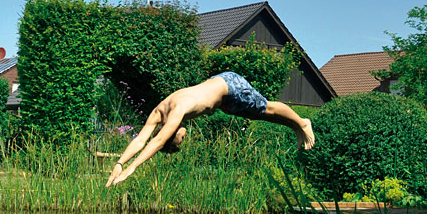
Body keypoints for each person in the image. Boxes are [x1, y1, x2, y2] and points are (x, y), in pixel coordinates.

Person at [105, 71, 315, 186]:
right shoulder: (159, 111)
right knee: (260, 115)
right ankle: (296, 127)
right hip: (222, 93)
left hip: (230, 88)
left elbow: (156, 141)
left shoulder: (177, 112)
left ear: (173, 133)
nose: (184, 136)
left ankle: (303, 122)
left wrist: (133, 167)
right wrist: (120, 162)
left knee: (266, 108)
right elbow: (141, 140)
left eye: (180, 140)